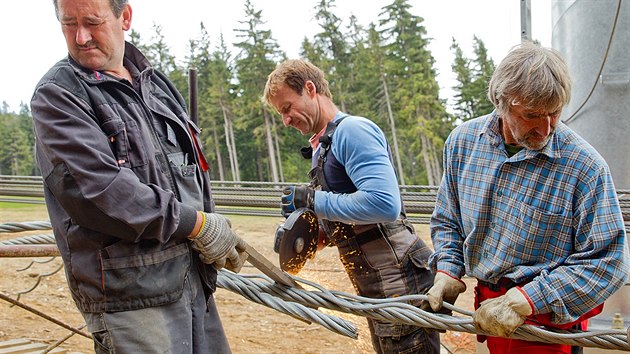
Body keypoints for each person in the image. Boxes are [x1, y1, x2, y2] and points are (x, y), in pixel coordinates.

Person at [31, 0, 247, 352]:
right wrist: (197, 225)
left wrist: (210, 226)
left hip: (192, 283)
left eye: (92, 21)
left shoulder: (155, 84)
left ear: (125, 17)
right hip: (130, 298)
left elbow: (187, 172)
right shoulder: (59, 95)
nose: (81, 36)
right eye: (69, 24)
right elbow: (100, 192)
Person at [425, 40, 629, 354]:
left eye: (556, 113)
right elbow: (448, 219)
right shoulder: (462, 144)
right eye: (533, 115)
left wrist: (529, 298)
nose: (547, 128)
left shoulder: (584, 167)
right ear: (501, 101)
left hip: (546, 322)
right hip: (489, 312)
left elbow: (609, 262)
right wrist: (449, 270)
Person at [262, 59, 440, 353]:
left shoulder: (352, 131)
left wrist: (313, 200)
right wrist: (311, 238)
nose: (286, 120)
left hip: (398, 280)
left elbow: (384, 205)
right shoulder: (323, 146)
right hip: (378, 282)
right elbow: (352, 216)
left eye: (287, 108)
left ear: (310, 89)